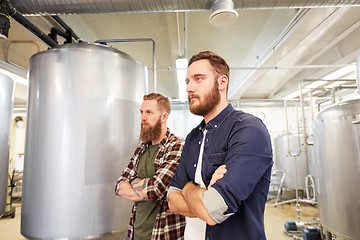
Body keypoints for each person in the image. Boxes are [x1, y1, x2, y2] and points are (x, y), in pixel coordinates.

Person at [167, 51, 273, 240]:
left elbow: (211, 212)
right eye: (187, 81)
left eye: (198, 79)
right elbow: (172, 201)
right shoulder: (193, 137)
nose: (189, 88)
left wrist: (188, 188)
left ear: (222, 82)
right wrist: (203, 195)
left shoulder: (248, 129)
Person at [115, 93, 186, 240]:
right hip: (136, 232)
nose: (143, 117)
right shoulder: (142, 148)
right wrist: (143, 187)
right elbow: (120, 185)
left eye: (149, 112)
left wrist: (133, 182)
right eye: (141, 112)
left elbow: (155, 190)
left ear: (164, 117)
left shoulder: (177, 146)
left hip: (163, 234)